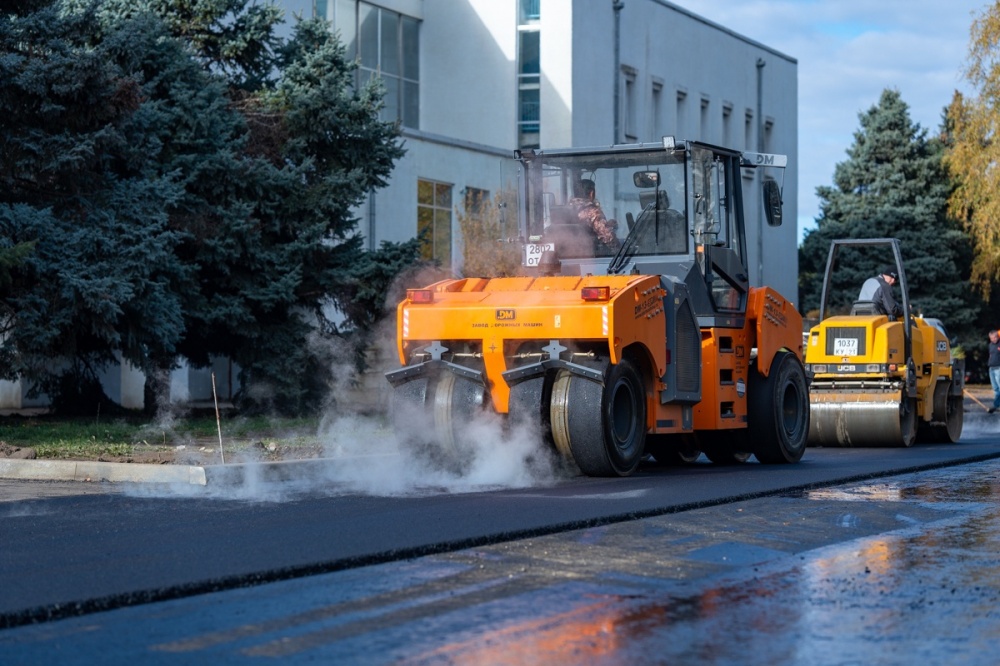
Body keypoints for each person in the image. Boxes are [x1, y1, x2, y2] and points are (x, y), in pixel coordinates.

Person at [569, 179, 621, 252]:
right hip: (589, 255)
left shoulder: (566, 209)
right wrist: (621, 249)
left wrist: (607, 225)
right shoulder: (593, 212)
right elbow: (607, 236)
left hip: (568, 253)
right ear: (591, 193)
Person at [988, 330, 1000, 413]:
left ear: (998, 336)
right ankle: (997, 406)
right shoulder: (990, 345)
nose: (993, 339)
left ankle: (996, 405)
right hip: (991, 368)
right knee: (995, 388)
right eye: (991, 338)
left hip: (998, 368)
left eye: (995, 337)